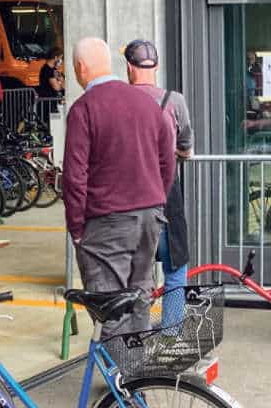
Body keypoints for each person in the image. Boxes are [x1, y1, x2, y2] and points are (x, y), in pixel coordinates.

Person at [62, 37, 174, 336]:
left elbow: (74, 176)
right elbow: (168, 162)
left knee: (109, 305)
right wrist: (156, 197)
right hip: (150, 217)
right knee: (140, 294)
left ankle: (121, 378)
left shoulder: (84, 109)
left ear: (80, 67)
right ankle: (139, 374)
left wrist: (76, 229)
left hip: (106, 221)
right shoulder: (148, 105)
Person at [123, 39, 193, 330]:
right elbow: (186, 147)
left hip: (130, 199)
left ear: (129, 67)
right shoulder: (173, 101)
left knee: (136, 274)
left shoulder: (120, 101)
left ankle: (135, 337)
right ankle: (171, 334)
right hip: (166, 196)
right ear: (157, 66)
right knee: (175, 268)